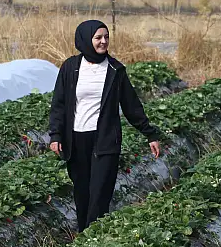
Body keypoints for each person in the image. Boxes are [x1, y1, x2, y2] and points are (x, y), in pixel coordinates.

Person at [48, 20, 161, 233]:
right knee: (82, 193)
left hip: (105, 140)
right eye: (98, 37)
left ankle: (93, 237)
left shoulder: (115, 69)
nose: (103, 42)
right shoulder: (70, 67)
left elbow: (131, 105)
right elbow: (59, 104)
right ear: (85, 39)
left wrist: (150, 134)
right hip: (76, 139)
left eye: (106, 37)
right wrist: (55, 135)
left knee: (100, 193)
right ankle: (84, 236)